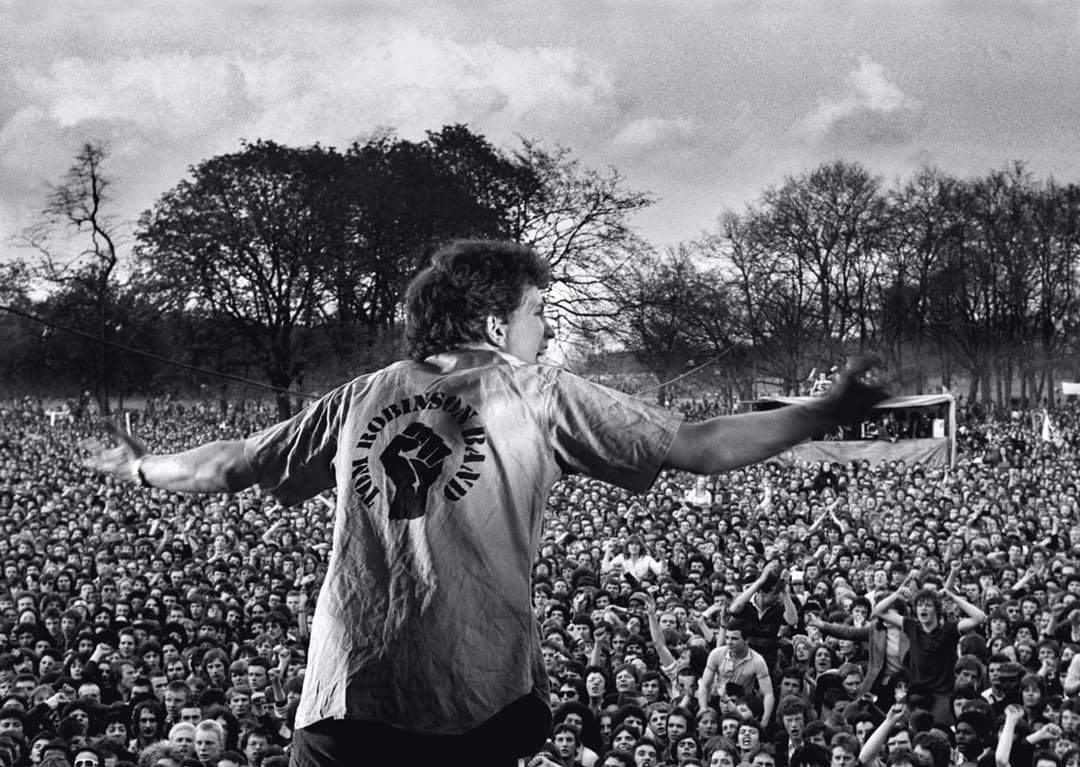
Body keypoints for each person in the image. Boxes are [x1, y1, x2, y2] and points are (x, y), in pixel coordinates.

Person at [85, 239, 886, 767]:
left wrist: (142, 467)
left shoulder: (359, 396)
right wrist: (823, 411)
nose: (548, 330)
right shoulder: (532, 391)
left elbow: (230, 465)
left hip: (342, 699)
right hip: (471, 704)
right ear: (495, 321)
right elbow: (704, 447)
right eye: (540, 312)